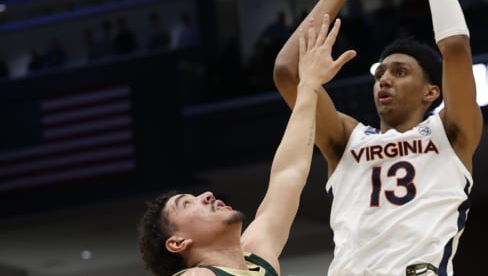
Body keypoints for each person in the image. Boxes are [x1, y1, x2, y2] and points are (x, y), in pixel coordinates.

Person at [273, 0, 483, 275]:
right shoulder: (346, 141)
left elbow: (455, 47)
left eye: (400, 72)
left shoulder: (452, 134)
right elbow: (287, 73)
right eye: (380, 73)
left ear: (430, 92)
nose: (384, 80)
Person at [138, 15, 356, 276]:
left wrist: (309, 85)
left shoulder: (258, 255)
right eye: (186, 204)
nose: (206, 195)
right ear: (177, 242)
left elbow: (289, 172)